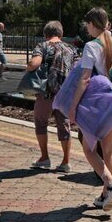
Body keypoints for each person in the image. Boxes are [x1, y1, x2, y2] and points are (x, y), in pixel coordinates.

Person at [69, 7, 112, 211]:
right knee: (108, 148)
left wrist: (73, 107)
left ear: (93, 24)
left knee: (88, 148)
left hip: (97, 105)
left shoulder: (91, 46)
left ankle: (110, 183)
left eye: (87, 24)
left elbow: (85, 79)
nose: (86, 28)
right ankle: (105, 194)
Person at [27, 21, 76, 173]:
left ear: (45, 34)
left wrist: (28, 68)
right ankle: (66, 162)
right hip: (65, 93)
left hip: (47, 93)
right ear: (60, 34)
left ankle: (45, 158)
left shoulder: (43, 46)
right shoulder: (71, 48)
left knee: (41, 123)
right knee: (64, 126)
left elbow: (34, 63)